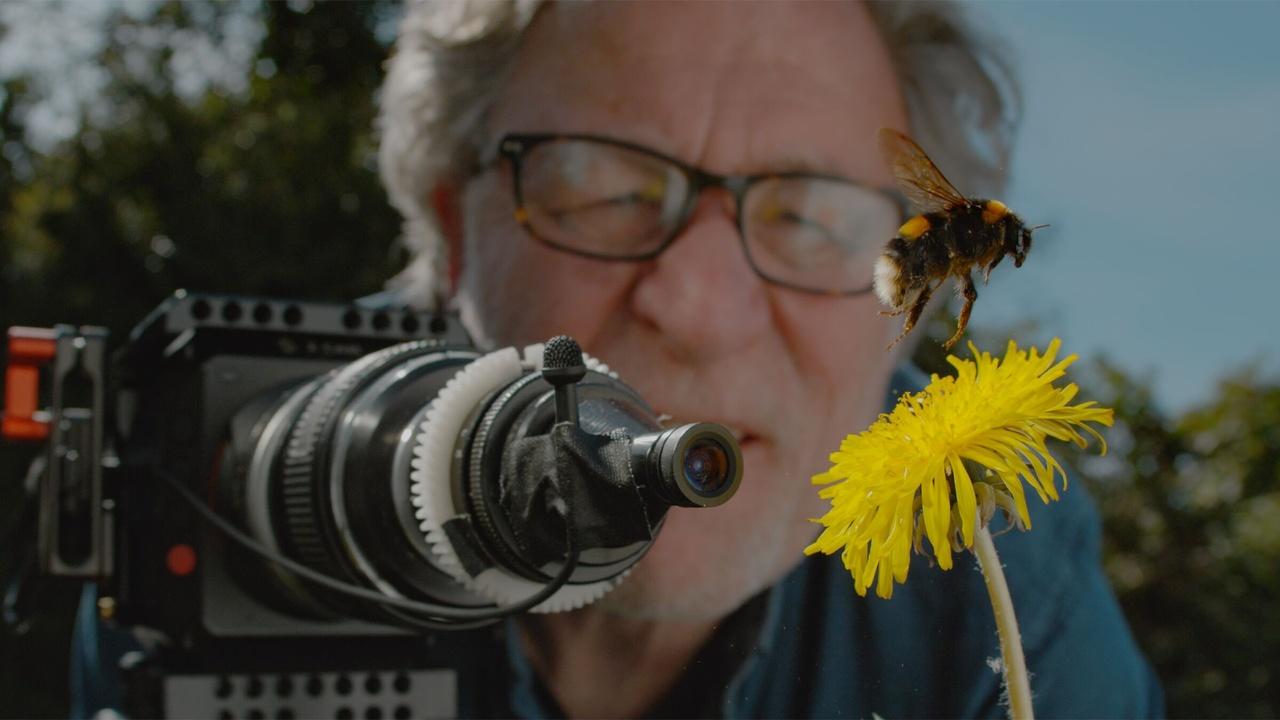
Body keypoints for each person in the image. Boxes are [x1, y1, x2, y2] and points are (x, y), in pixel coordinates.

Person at [376, 1, 1162, 718]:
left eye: (812, 217)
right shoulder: (265, 438)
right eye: (604, 187)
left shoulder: (1005, 583)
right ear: (455, 237)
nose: (701, 312)